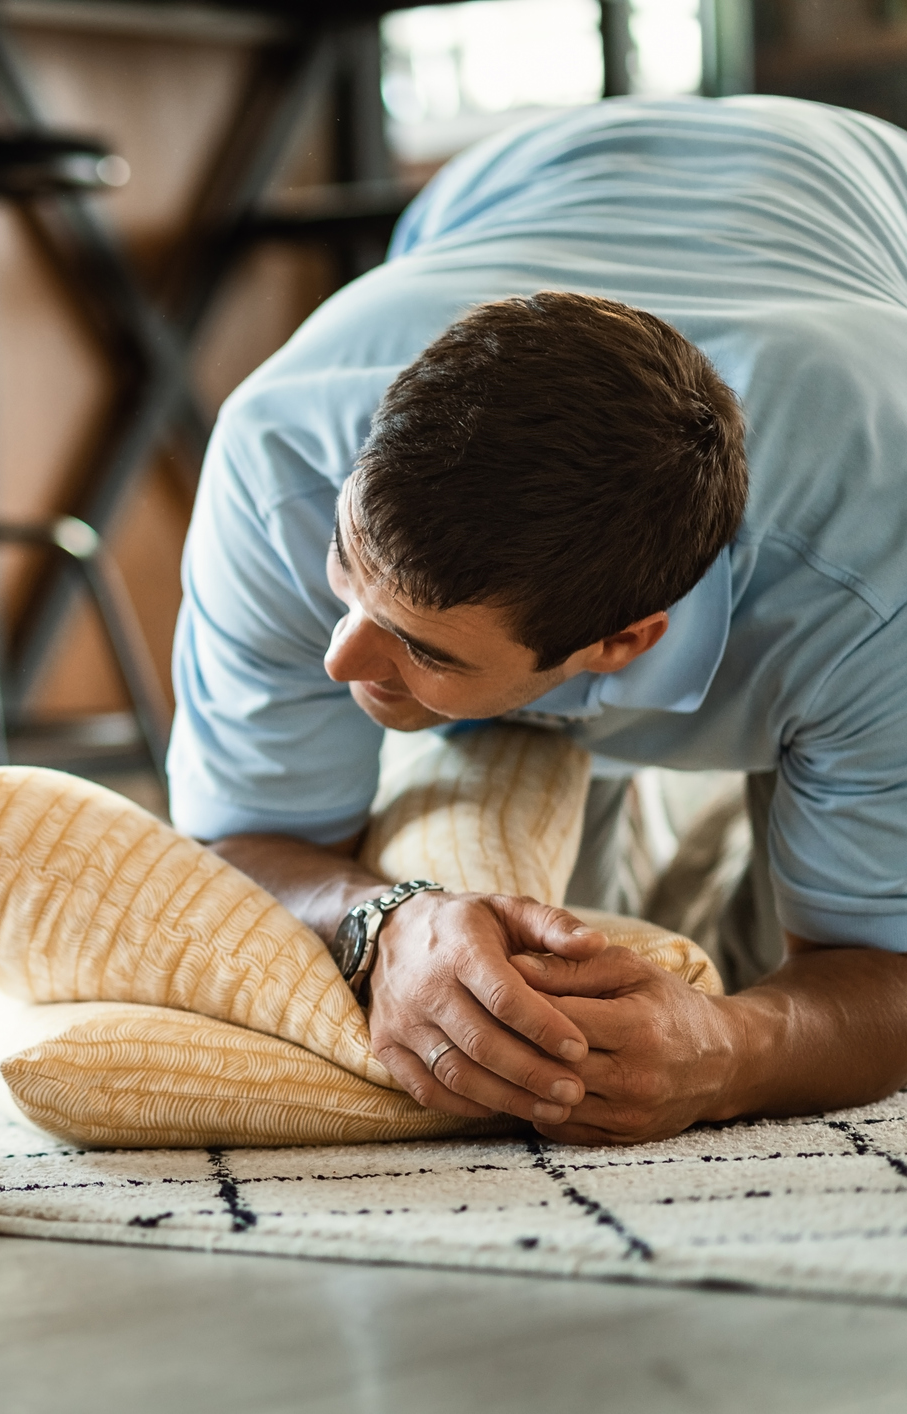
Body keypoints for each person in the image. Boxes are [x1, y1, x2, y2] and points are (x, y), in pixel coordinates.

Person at [171, 95, 907, 1146]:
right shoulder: (279, 454)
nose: (340, 658)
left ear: (622, 643)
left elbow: (883, 967)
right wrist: (383, 921)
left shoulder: (878, 577)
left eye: (421, 646)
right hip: (524, 179)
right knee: (538, 992)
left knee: (749, 989)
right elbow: (246, 838)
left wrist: (733, 1051)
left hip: (874, 215)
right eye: (346, 578)